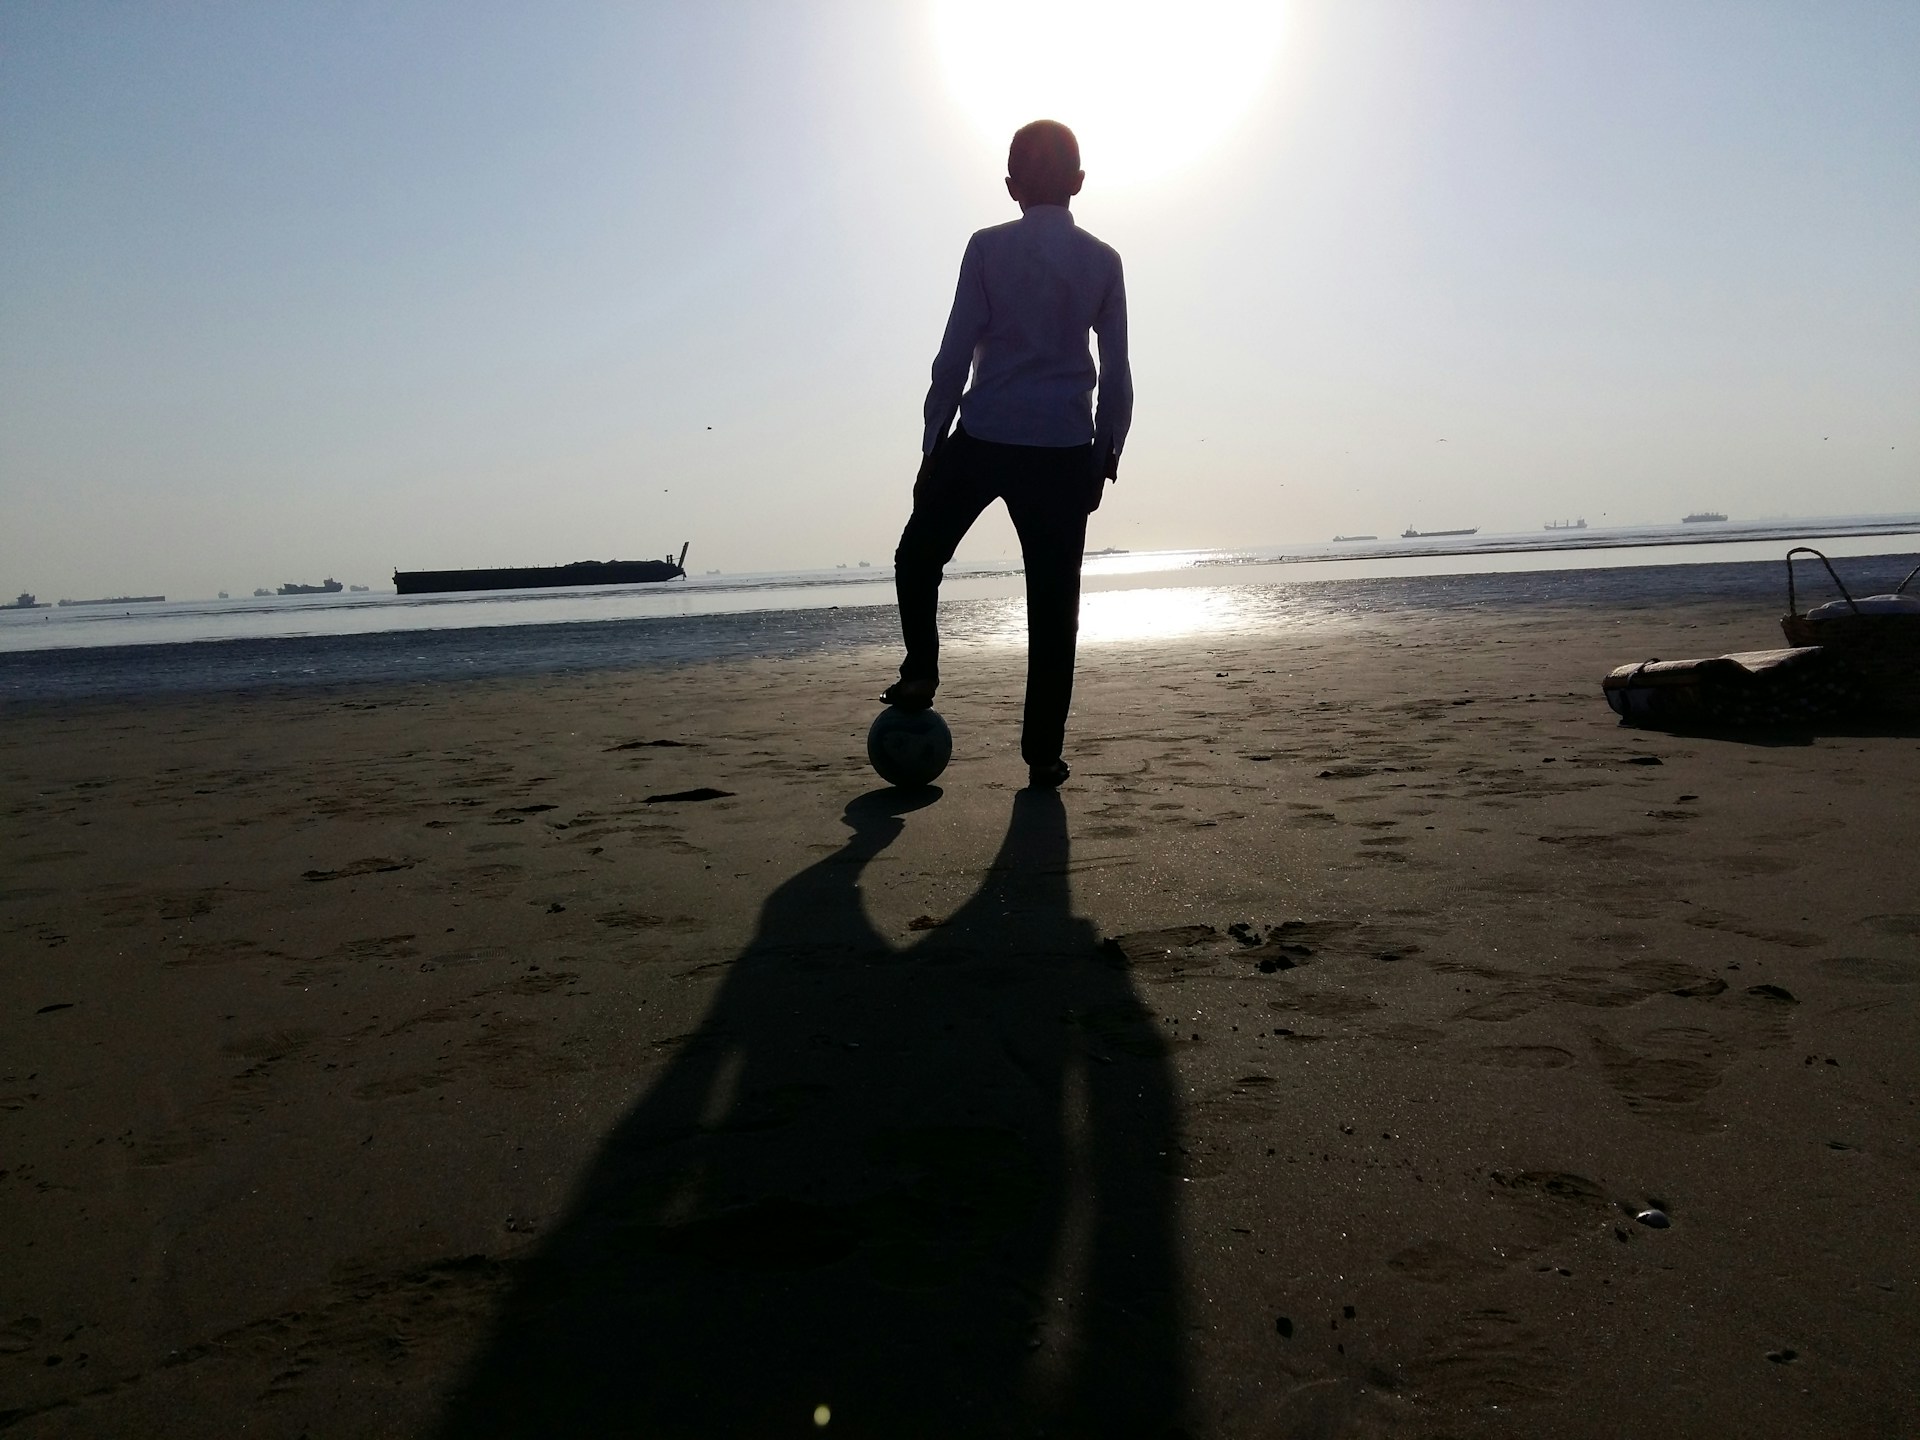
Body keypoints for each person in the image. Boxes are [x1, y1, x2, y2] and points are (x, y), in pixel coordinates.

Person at [884, 119, 1131, 789]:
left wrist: (933, 445)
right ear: (1079, 185)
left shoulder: (986, 248)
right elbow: (1118, 372)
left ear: (1011, 187)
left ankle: (921, 668)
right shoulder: (1103, 262)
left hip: (986, 436)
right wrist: (1105, 454)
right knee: (1054, 612)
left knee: (918, 556)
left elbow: (953, 356)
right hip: (1061, 448)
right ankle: (1043, 757)